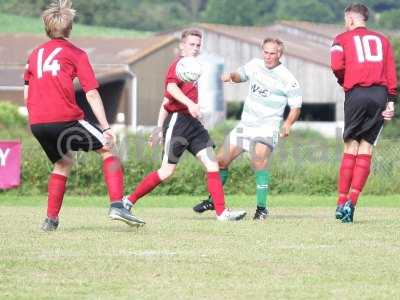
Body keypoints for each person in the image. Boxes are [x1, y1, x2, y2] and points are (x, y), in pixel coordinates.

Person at [24, 0, 144, 231]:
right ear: (70, 28)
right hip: (64, 117)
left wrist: (37, 116)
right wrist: (106, 127)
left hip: (38, 122)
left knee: (62, 162)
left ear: (47, 28)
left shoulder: (35, 54)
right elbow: (91, 94)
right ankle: (118, 205)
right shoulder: (76, 54)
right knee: (109, 148)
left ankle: (50, 220)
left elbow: (28, 90)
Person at [122, 29, 246, 221]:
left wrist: (161, 125)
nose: (195, 48)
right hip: (178, 122)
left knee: (212, 164)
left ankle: (222, 212)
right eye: (191, 44)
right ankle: (128, 201)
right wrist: (169, 121)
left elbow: (166, 99)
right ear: (182, 45)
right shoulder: (179, 66)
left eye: (198, 45)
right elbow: (170, 89)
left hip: (193, 125)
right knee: (166, 171)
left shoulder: (192, 69)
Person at [193, 38, 302, 220]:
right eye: (265, 52)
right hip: (245, 126)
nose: (268, 56)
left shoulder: (288, 79)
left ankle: (261, 208)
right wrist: (230, 77)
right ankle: (214, 200)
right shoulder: (254, 65)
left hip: (267, 127)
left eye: (272, 53)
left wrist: (288, 124)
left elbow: (296, 108)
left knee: (258, 159)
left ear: (280, 54)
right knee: (219, 162)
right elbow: (239, 76)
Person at [330, 3, 397, 223]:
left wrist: (344, 81)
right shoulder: (383, 41)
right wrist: (391, 102)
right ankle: (352, 202)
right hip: (379, 95)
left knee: (351, 147)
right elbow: (390, 73)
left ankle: (341, 203)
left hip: (356, 93)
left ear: (350, 19)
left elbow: (336, 64)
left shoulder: (341, 38)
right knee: (366, 148)